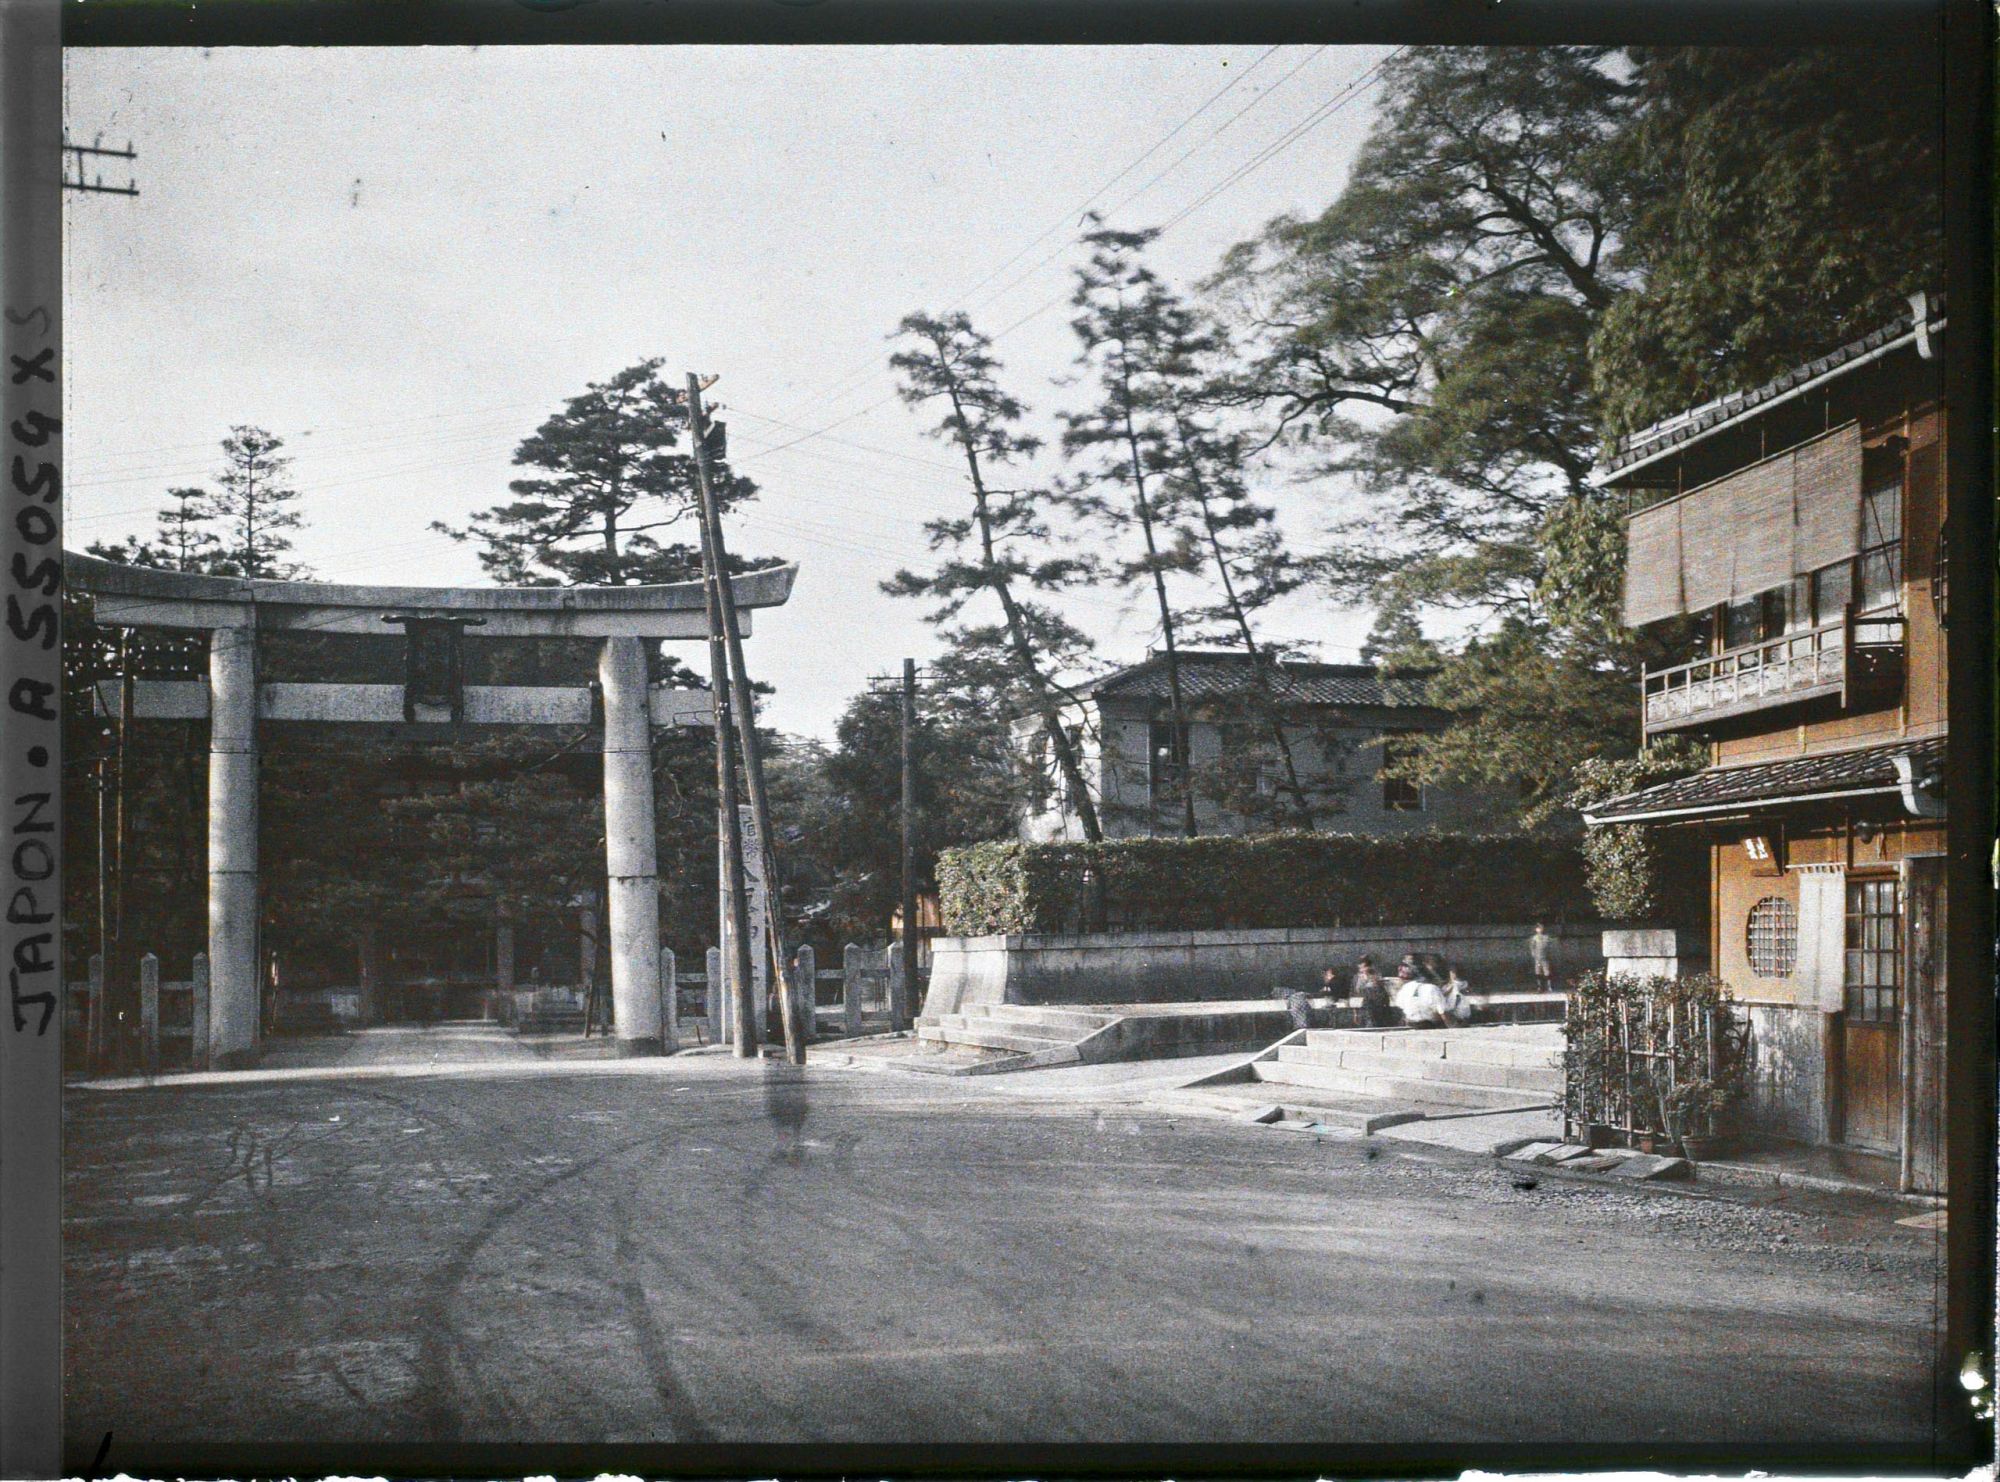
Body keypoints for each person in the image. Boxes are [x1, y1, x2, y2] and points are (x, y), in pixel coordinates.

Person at [1393, 960, 1448, 1029]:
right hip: (1429, 1027)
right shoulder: (1432, 988)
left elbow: (1400, 1005)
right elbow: (1443, 1013)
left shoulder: (1406, 987)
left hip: (1410, 1026)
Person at [1349, 955, 1394, 1028]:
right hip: (1363, 1007)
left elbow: (1383, 993)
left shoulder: (1376, 977)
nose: (1362, 970)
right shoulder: (1357, 978)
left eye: (1364, 967)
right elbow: (1353, 994)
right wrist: (1355, 1013)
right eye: (1360, 967)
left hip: (1377, 1008)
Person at [1530, 923, 1556, 988]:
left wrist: (1550, 954)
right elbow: (1532, 947)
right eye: (1538, 928)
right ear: (1536, 929)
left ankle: (1549, 985)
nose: (1540, 929)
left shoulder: (1546, 937)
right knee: (1538, 972)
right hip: (1537, 957)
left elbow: (1550, 946)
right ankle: (1539, 986)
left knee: (1547, 971)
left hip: (1545, 957)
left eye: (1541, 928)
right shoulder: (1534, 938)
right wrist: (1534, 954)